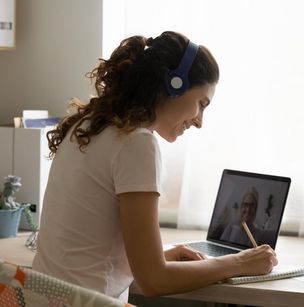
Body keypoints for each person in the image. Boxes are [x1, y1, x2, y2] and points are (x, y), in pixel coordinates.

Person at [32, 31, 278, 301]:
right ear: (175, 85)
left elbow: (87, 249)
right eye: (201, 104)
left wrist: (157, 256)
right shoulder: (136, 143)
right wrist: (242, 263)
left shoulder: (89, 125)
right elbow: (153, 281)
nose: (199, 121)